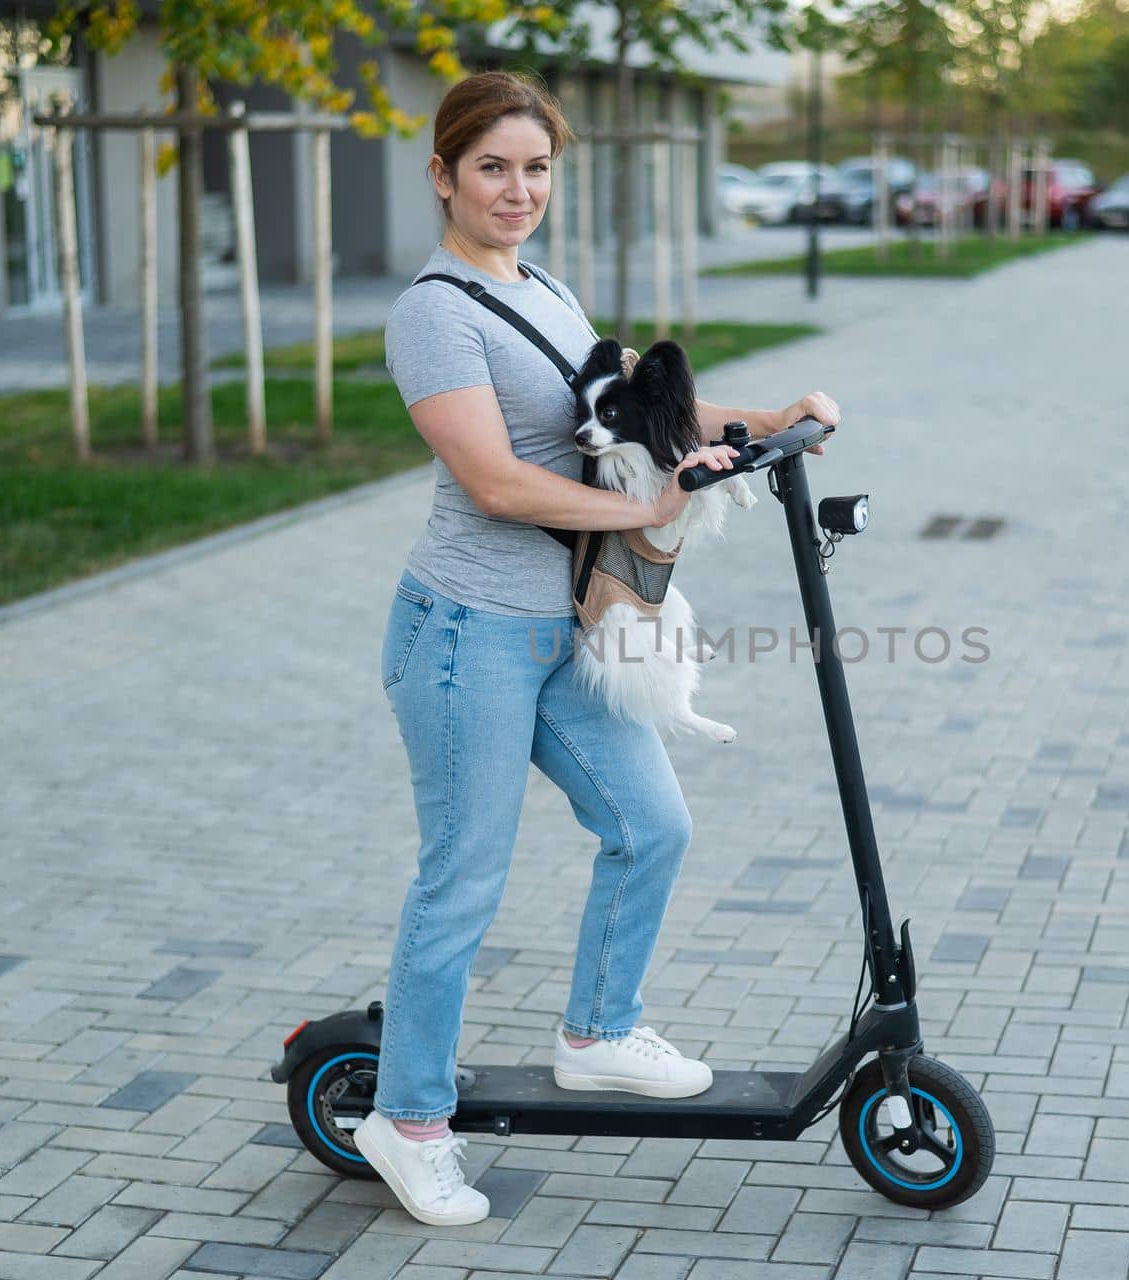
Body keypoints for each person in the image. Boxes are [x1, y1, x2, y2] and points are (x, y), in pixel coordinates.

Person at [352, 70, 842, 1227]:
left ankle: (598, 1031)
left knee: (651, 822)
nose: (516, 189)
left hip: (562, 630)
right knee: (461, 879)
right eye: (491, 167)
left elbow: (631, 413)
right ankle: (408, 1119)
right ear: (443, 175)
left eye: (534, 168)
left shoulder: (547, 288)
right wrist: (650, 513)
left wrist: (766, 420)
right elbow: (495, 479)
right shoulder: (434, 310)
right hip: (466, 632)